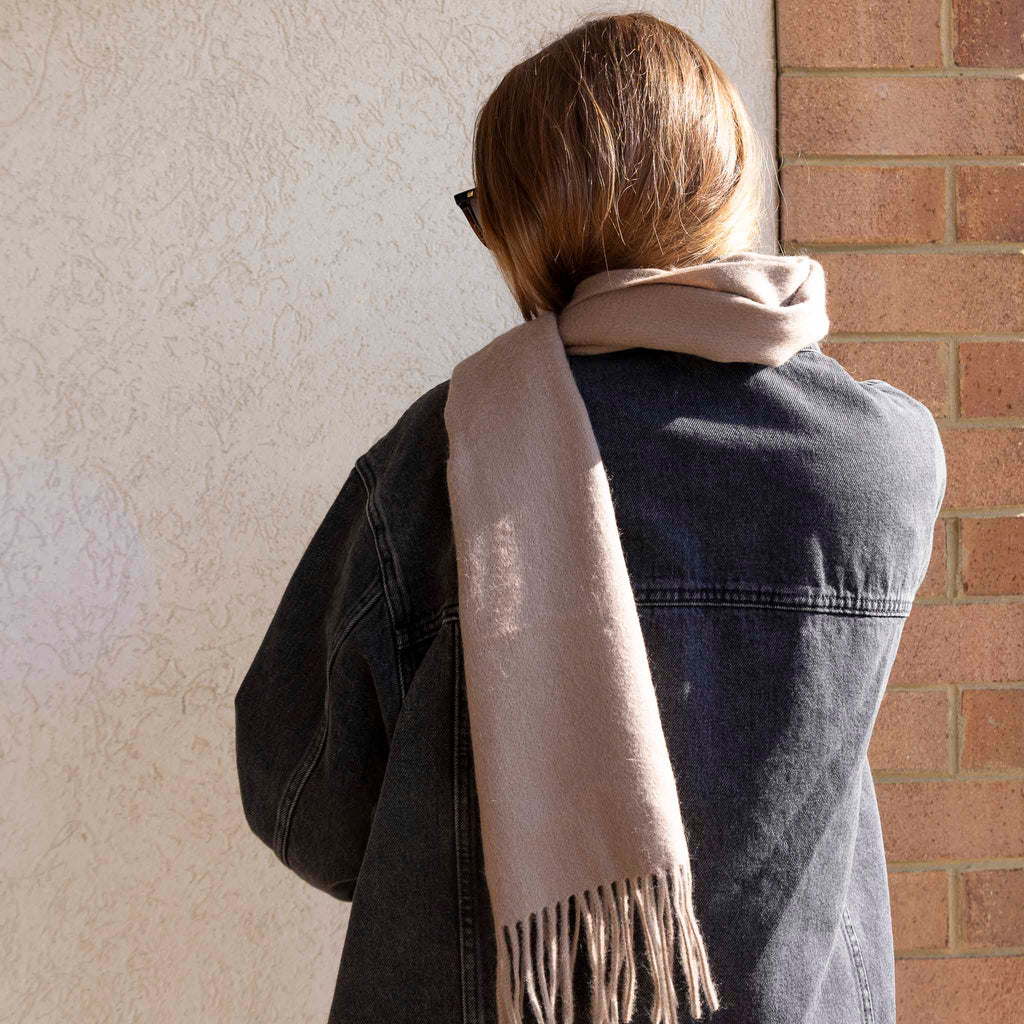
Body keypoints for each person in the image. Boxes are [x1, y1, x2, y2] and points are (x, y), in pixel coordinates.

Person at [233, 11, 946, 1024]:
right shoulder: (883, 457)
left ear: (526, 219)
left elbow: (300, 798)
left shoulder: (450, 451)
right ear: (723, 180)